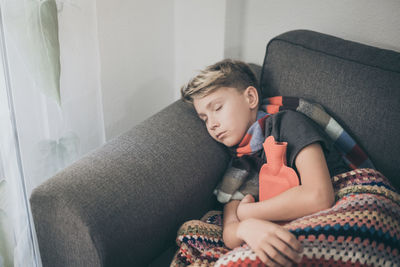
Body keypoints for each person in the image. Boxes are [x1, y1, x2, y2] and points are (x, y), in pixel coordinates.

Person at [180, 59, 350, 266]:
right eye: (204, 118)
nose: (212, 124)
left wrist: (248, 213)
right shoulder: (239, 166)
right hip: (281, 225)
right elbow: (230, 231)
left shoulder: (287, 123)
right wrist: (246, 228)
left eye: (217, 108)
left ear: (250, 97)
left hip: (339, 206)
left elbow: (319, 196)